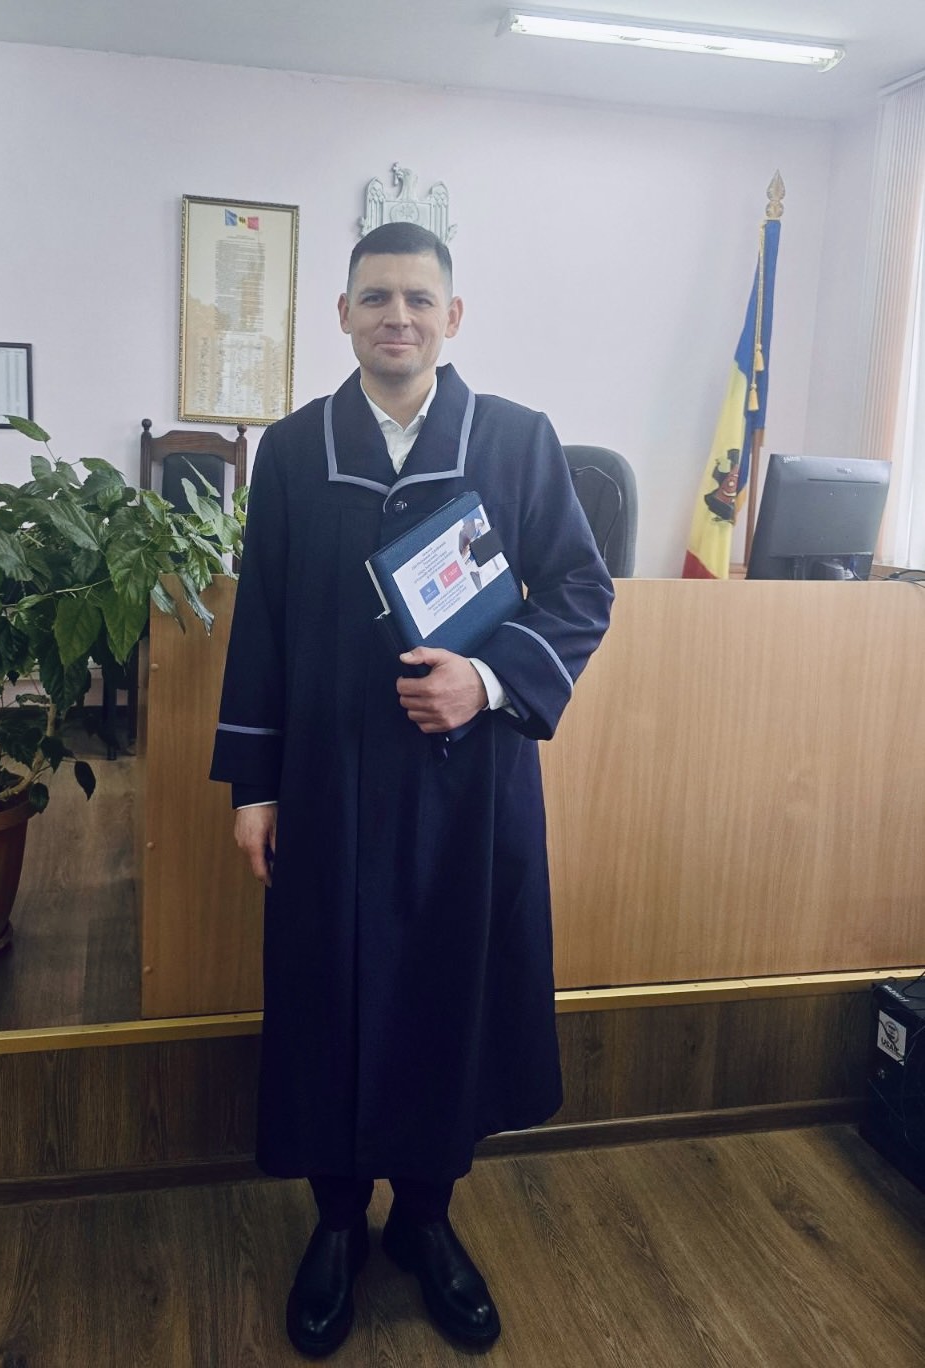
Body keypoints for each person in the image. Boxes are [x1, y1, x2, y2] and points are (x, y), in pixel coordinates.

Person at [211, 221, 613, 1357]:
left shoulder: (517, 441)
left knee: (449, 997)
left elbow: (580, 591)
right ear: (341, 314)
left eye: (418, 299)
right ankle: (337, 1225)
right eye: (376, 297)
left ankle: (426, 1222)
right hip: (327, 788)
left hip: (465, 795)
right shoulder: (294, 451)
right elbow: (262, 623)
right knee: (325, 998)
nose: (398, 316)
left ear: (452, 316)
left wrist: (484, 681)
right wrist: (254, 787)